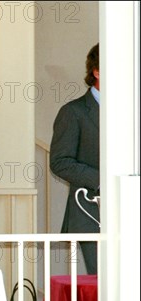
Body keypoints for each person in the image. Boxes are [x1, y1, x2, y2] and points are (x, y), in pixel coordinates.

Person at [50, 43, 100, 275]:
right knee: (104, 284)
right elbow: (60, 161)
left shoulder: (131, 109)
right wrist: (103, 181)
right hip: (90, 213)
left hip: (130, 210)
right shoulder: (73, 111)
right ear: (96, 72)